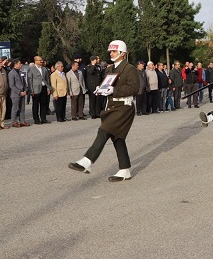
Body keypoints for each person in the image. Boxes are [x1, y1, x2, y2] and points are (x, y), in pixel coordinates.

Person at [68, 40, 140, 182]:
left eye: (114, 51)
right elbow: (106, 84)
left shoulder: (129, 68)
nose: (111, 53)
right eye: (111, 51)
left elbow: (134, 88)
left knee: (104, 130)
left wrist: (115, 90)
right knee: (117, 138)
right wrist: (100, 89)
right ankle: (125, 170)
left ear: (122, 54)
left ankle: (87, 161)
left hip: (123, 107)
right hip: (111, 106)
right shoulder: (109, 69)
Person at [27, 55, 52, 124]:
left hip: (43, 87)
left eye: (41, 60)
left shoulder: (44, 69)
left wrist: (48, 88)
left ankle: (43, 118)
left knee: (43, 104)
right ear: (35, 61)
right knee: (35, 105)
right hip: (36, 89)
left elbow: (47, 79)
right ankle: (36, 119)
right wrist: (31, 90)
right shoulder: (31, 69)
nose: (41, 61)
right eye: (40, 60)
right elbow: (30, 80)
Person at [8, 59, 30, 128]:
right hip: (15, 94)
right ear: (15, 64)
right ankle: (14, 122)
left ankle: (22, 121)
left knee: (22, 108)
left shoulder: (21, 72)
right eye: (19, 63)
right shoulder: (11, 73)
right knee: (15, 108)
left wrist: (25, 90)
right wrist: (19, 92)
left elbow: (24, 82)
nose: (21, 65)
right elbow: (11, 85)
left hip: (23, 92)